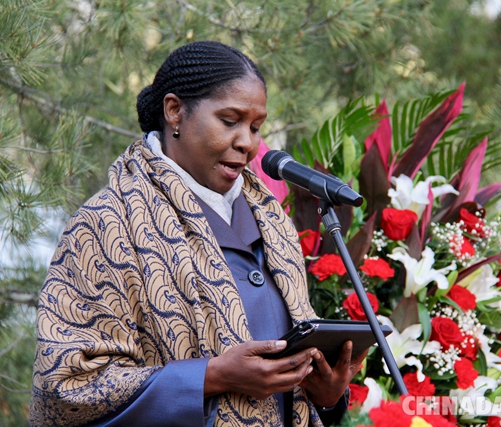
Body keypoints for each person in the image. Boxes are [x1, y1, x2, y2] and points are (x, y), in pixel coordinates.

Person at [30, 41, 366, 427]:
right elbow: (67, 389)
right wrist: (212, 376)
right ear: (174, 111)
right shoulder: (105, 223)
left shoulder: (271, 219)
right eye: (230, 120)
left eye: (256, 127)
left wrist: (325, 395)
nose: (248, 143)